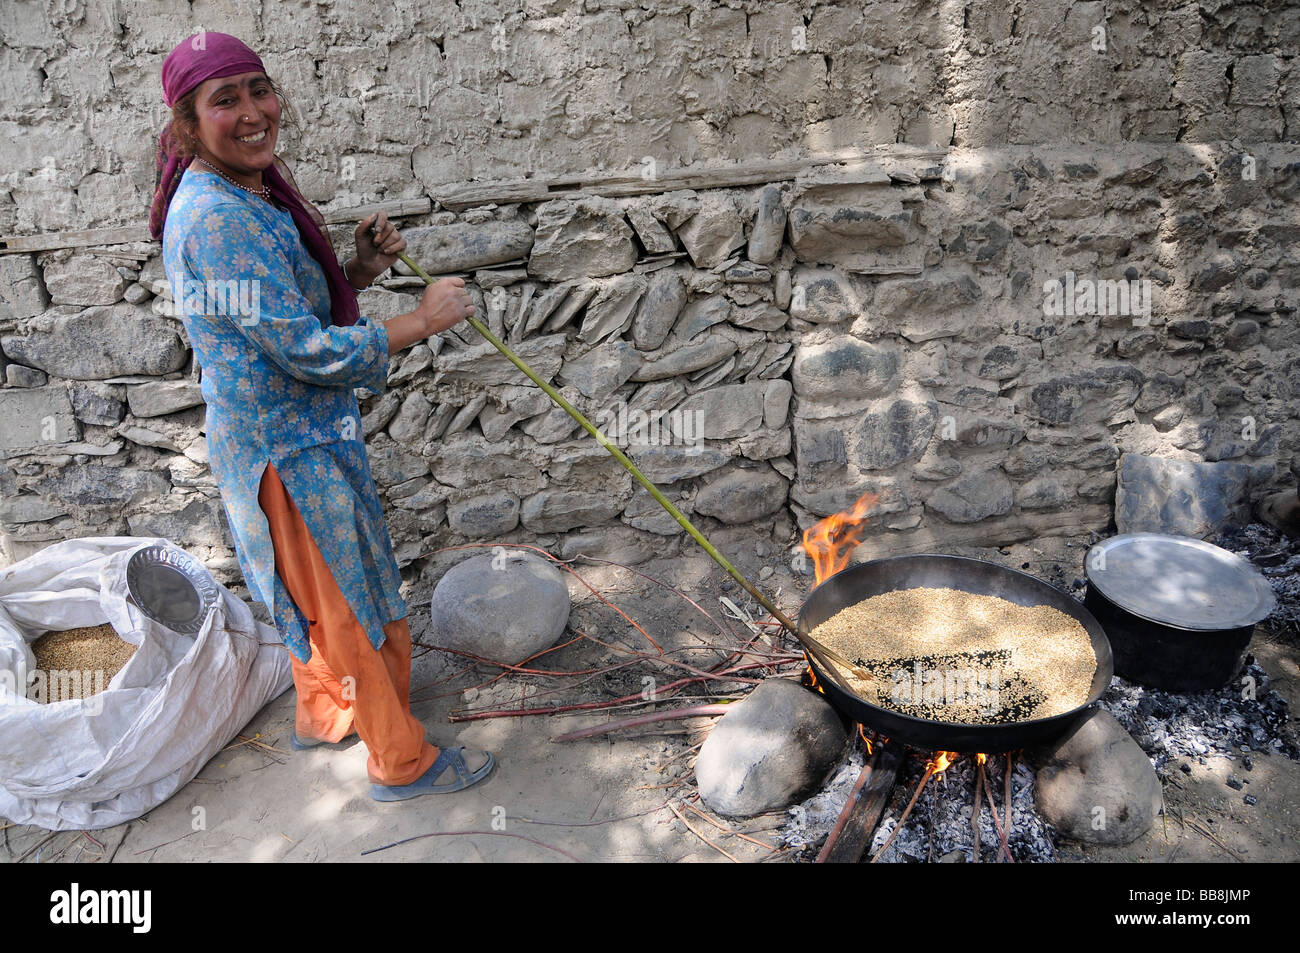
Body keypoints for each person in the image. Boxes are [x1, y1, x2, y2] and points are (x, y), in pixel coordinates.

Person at [149, 32, 494, 800]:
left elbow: (280, 309)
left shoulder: (246, 191)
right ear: (186, 123)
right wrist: (422, 321)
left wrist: (359, 270)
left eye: (258, 90)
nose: (252, 112)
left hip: (293, 436)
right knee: (343, 595)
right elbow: (304, 349)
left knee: (315, 590)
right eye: (225, 99)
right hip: (286, 448)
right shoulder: (215, 217)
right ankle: (401, 761)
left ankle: (327, 713)